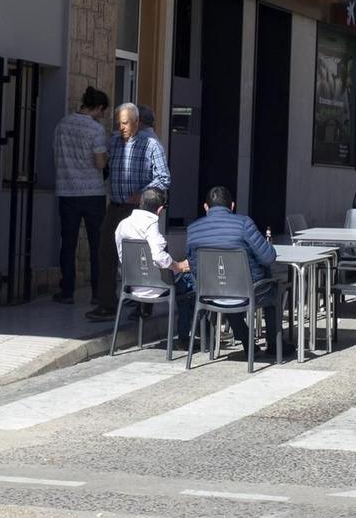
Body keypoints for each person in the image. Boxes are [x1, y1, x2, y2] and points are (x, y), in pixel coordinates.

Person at [182, 185, 281, 357]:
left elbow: (193, 264)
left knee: (228, 287)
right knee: (273, 291)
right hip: (248, 291)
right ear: (232, 206)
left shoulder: (192, 230)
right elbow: (268, 257)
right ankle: (274, 345)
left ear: (205, 207)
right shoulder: (244, 224)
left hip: (209, 293)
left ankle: (248, 342)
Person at [90, 101, 169, 319]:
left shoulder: (151, 145)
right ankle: (106, 303)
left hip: (137, 209)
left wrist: (143, 194)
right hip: (115, 206)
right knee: (106, 251)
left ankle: (144, 304)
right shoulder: (115, 142)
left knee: (141, 256)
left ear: (136, 122)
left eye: (125, 123)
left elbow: (163, 178)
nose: (121, 128)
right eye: (118, 124)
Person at [51, 87, 110, 304]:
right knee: (97, 244)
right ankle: (97, 292)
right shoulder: (96, 130)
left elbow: (56, 155)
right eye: (103, 111)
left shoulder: (62, 125)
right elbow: (100, 162)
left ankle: (67, 291)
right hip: (92, 193)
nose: (103, 116)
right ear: (99, 107)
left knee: (68, 242)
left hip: (66, 191)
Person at [112, 186, 192, 328]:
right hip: (156, 287)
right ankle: (185, 337)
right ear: (160, 210)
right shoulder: (151, 225)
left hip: (131, 285)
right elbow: (159, 258)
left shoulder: (122, 225)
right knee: (188, 285)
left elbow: (122, 258)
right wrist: (178, 266)